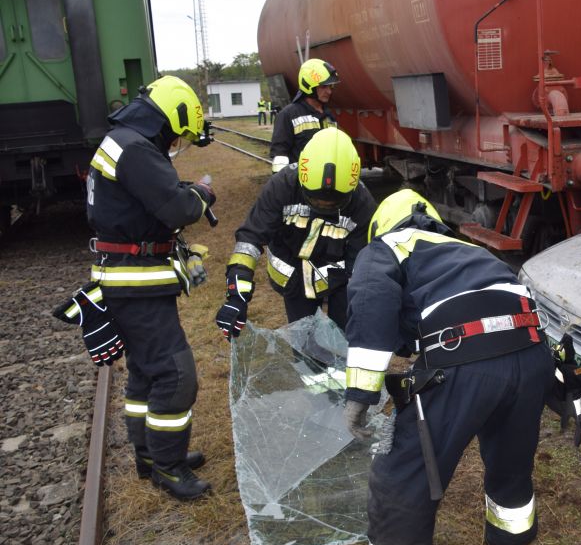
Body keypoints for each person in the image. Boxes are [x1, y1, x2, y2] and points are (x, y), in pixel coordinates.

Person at [342, 189, 554, 545]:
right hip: (530, 352)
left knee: (405, 476)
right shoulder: (465, 249)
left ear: (382, 226)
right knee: (511, 463)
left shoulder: (388, 246)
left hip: (463, 358)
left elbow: (372, 297)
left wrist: (360, 394)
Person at [78, 75, 216, 500]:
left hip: (127, 280)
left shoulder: (124, 141)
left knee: (144, 373)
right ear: (170, 118)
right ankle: (169, 468)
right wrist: (203, 193)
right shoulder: (136, 149)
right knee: (176, 375)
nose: (176, 142)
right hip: (133, 281)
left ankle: (149, 455)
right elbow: (178, 206)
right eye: (178, 133)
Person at [216, 127, 376, 338]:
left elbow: (361, 265)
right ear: (302, 176)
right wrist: (237, 296)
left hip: (340, 278)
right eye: (316, 200)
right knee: (304, 344)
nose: (324, 205)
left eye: (333, 202)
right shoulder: (281, 186)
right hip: (293, 278)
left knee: (345, 336)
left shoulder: (362, 203)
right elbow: (250, 239)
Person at [270, 58, 340, 173]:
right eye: (324, 86)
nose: (329, 91)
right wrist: (283, 186)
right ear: (309, 86)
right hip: (299, 185)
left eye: (331, 86)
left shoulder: (329, 116)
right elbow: (279, 156)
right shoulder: (288, 115)